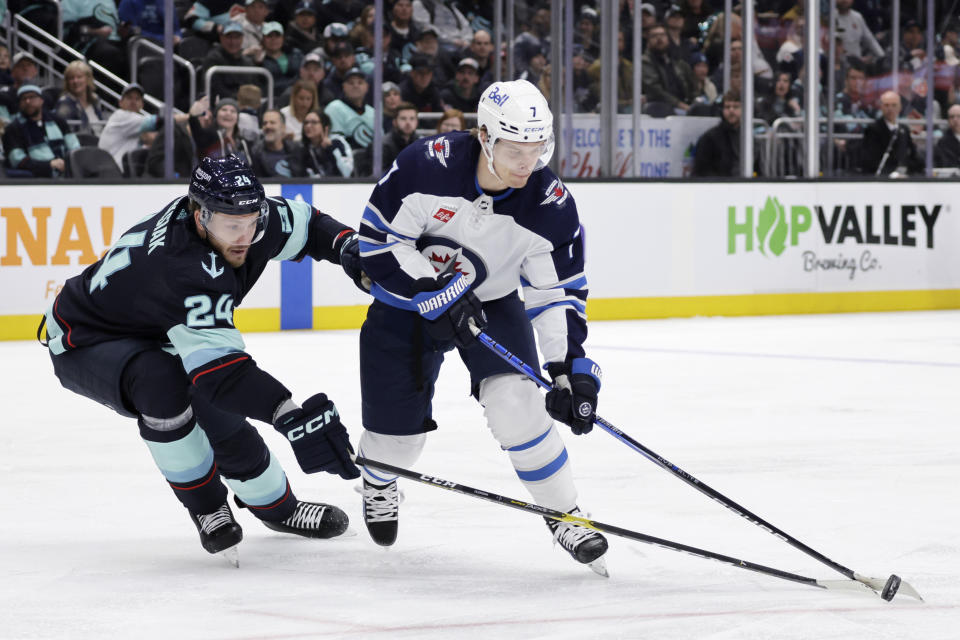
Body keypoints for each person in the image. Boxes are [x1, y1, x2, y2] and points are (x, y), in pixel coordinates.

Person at [40, 156, 365, 561]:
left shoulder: (245, 217)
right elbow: (224, 376)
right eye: (232, 225)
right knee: (162, 382)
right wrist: (289, 415)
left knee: (220, 414)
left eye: (252, 222)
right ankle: (208, 507)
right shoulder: (181, 267)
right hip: (86, 339)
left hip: (156, 328)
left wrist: (349, 246)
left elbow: (311, 226)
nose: (245, 236)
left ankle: (279, 509)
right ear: (199, 216)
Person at [355, 79, 609, 574]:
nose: (526, 163)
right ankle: (380, 482)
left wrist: (568, 370)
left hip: (491, 303)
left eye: (537, 149)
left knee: (517, 404)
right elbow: (380, 242)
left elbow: (555, 293)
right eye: (514, 150)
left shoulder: (551, 206)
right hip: (405, 306)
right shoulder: (424, 164)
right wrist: (437, 292)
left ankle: (565, 513)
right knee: (396, 443)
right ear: (484, 136)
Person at [3, 84, 80, 178]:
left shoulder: (58, 121)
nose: (28, 101)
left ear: (41, 100)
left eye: (32, 97)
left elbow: (74, 146)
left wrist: (67, 163)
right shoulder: (13, 128)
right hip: (34, 179)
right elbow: (17, 159)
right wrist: (49, 165)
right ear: (19, 103)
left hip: (66, 173)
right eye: (23, 99)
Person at [98, 83, 165, 167]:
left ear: (142, 105)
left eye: (137, 99)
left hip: (118, 171)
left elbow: (150, 139)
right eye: (129, 98)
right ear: (120, 103)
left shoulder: (134, 123)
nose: (133, 102)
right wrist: (184, 117)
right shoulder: (121, 116)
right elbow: (158, 121)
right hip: (113, 173)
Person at [861, 90, 922, 176]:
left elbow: (913, 155)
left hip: (904, 177)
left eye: (894, 105)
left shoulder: (904, 130)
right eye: (886, 105)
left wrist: (908, 169)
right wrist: (891, 172)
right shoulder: (873, 129)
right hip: (883, 177)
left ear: (900, 107)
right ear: (881, 107)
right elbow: (870, 159)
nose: (890, 109)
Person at [188, 95, 255, 163]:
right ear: (216, 115)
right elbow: (197, 133)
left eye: (233, 111)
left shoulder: (243, 142)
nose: (228, 113)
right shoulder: (208, 137)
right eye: (224, 110)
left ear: (237, 118)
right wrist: (193, 116)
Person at [693, 89, 743, 177]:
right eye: (727, 107)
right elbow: (700, 172)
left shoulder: (750, 138)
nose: (731, 110)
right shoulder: (710, 138)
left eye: (735, 107)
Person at [325, 67, 375, 150]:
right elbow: (336, 142)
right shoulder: (334, 108)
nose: (355, 86)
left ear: (367, 87)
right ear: (343, 86)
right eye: (351, 83)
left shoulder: (374, 113)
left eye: (360, 82)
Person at [54, 60, 105, 135]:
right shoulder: (64, 103)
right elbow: (63, 133)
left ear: (87, 79)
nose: (75, 81)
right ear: (67, 82)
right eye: (71, 78)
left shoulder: (95, 99)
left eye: (79, 77)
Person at [299, 110, 354, 177]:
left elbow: (347, 172)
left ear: (325, 126)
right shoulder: (303, 149)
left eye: (314, 122)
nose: (308, 126)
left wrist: (331, 148)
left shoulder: (337, 142)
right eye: (306, 123)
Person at [258, 21, 304, 99]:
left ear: (283, 38)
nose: (274, 39)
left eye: (277, 36)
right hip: (270, 98)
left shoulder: (296, 54)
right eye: (269, 36)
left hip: (296, 96)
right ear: (263, 39)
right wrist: (257, 63)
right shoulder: (258, 58)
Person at [250, 109, 301, 177]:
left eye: (272, 122)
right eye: (265, 123)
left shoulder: (296, 150)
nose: (268, 126)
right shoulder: (255, 154)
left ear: (283, 127)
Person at [382, 101, 419, 166]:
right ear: (394, 122)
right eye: (403, 118)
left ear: (417, 122)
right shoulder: (384, 145)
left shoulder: (420, 143)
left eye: (412, 119)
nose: (408, 122)